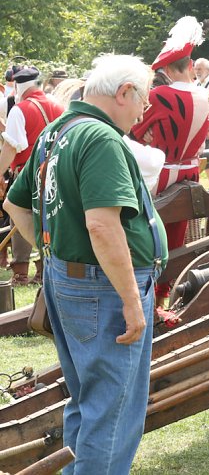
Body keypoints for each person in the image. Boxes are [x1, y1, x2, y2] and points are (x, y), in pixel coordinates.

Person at [4, 53, 167, 474]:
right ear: (124, 92)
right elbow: (101, 226)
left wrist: (54, 250)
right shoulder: (101, 138)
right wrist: (132, 299)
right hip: (103, 289)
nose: (143, 111)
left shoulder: (58, 131)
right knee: (112, 412)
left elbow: (15, 205)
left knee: (88, 402)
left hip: (71, 280)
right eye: (142, 101)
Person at [128, 16, 209, 310]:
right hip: (189, 172)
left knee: (145, 235)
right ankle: (163, 297)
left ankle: (145, 296)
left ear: (164, 69)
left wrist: (147, 134)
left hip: (159, 174)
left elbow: (134, 130)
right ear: (190, 66)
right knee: (175, 239)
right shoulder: (205, 96)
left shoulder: (160, 95)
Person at [0, 66, 64, 285]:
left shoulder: (21, 109)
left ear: (17, 85)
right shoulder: (58, 104)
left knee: (18, 214)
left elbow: (11, 149)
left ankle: (20, 272)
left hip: (29, 174)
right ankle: (44, 270)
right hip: (57, 171)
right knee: (50, 219)